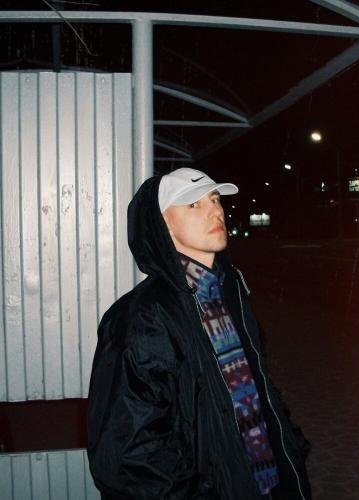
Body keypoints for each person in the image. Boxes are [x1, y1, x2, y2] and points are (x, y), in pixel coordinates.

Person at [87, 167, 311, 500]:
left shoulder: (230, 291)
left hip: (265, 480)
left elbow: (256, 382)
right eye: (194, 204)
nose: (215, 211)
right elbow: (130, 453)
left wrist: (289, 442)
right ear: (163, 224)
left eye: (216, 199)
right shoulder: (141, 317)